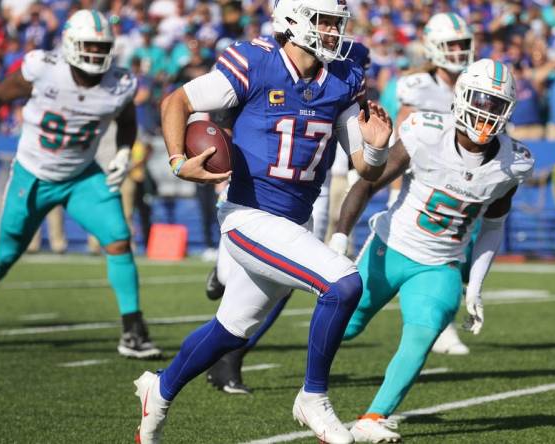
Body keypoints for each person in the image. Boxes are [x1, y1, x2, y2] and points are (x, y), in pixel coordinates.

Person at [133, 0, 393, 442]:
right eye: (324, 20)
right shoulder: (255, 62)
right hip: (247, 217)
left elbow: (364, 169)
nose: (333, 31)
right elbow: (177, 100)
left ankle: (159, 388)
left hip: (292, 225)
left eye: (337, 22)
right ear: (293, 19)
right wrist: (178, 161)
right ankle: (313, 397)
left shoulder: (344, 76)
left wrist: (378, 149)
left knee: (231, 329)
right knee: (344, 283)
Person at [329, 59, 533, 442]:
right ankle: (311, 391)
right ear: (462, 97)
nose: (487, 112)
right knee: (345, 325)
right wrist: (340, 238)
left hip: (441, 264)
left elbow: (493, 225)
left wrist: (475, 285)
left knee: (421, 336)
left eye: (496, 105)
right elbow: (367, 182)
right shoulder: (427, 132)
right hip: (389, 248)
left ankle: (374, 417)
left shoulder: (513, 163)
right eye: (481, 100)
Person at [0, 9, 162, 359]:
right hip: (33, 173)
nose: (94, 53)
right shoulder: (44, 68)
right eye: (88, 45)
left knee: (119, 240)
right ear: (71, 44)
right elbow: (0, 94)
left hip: (80, 176)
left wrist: (123, 151)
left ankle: (133, 329)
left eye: (101, 46)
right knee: (6, 253)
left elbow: (127, 121)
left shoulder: (119, 83)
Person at [202, 41, 371, 396]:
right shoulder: (273, 67)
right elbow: (226, 112)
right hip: (260, 186)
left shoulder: (344, 83)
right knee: (236, 275)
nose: (361, 72)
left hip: (312, 188)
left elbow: (366, 159)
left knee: (283, 280)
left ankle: (228, 359)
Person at [377, 11, 475, 356]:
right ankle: (436, 328)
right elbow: (402, 139)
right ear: (433, 47)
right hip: (420, 188)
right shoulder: (416, 86)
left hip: (461, 187)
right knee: (415, 260)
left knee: (456, 258)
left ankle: (439, 322)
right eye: (452, 45)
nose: (459, 51)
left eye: (463, 44)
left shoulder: (473, 82)